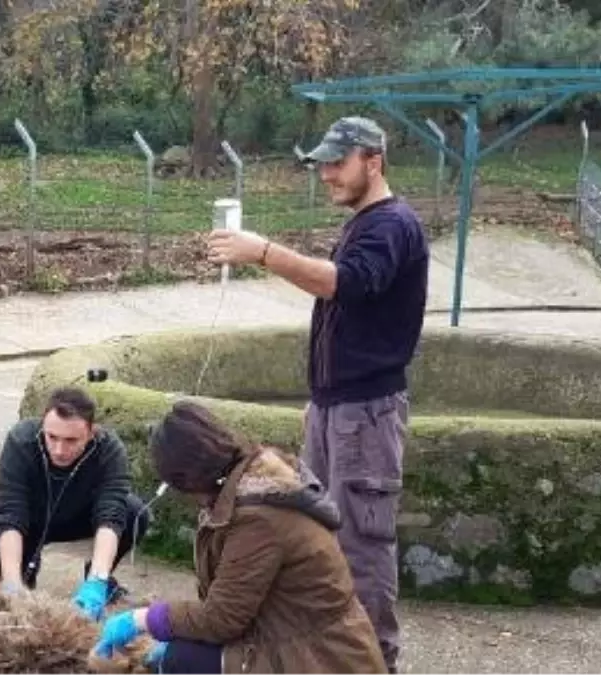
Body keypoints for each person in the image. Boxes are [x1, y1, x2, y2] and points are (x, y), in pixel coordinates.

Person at [204, 116, 428, 673]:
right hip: (337, 406)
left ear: (373, 162)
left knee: (361, 541)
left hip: (365, 413)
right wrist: (322, 395)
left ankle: (377, 660)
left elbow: (341, 283)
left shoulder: (390, 225)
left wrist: (262, 252)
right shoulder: (363, 221)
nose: (326, 174)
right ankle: (339, 655)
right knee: (327, 536)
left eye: (337, 163)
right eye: (323, 163)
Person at [90, 400, 388, 674]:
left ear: (185, 478)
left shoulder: (259, 519)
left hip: (320, 659)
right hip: (309, 641)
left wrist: (142, 619)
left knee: (180, 660)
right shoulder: (251, 483)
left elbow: (221, 619)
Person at [0, 386, 149, 620]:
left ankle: (97, 576)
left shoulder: (110, 450)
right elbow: (10, 512)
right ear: (42, 425)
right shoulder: (20, 440)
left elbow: (110, 515)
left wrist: (98, 578)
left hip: (80, 516)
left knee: (134, 513)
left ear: (92, 432)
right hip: (30, 517)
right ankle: (26, 568)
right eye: (52, 437)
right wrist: (12, 583)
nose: (59, 450)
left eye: (71, 440)